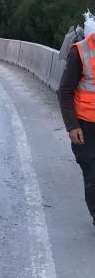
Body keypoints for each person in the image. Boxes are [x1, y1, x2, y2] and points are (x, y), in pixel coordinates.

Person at [58, 11, 95, 226]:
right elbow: (65, 91)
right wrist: (71, 126)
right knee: (92, 173)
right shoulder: (80, 52)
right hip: (85, 125)